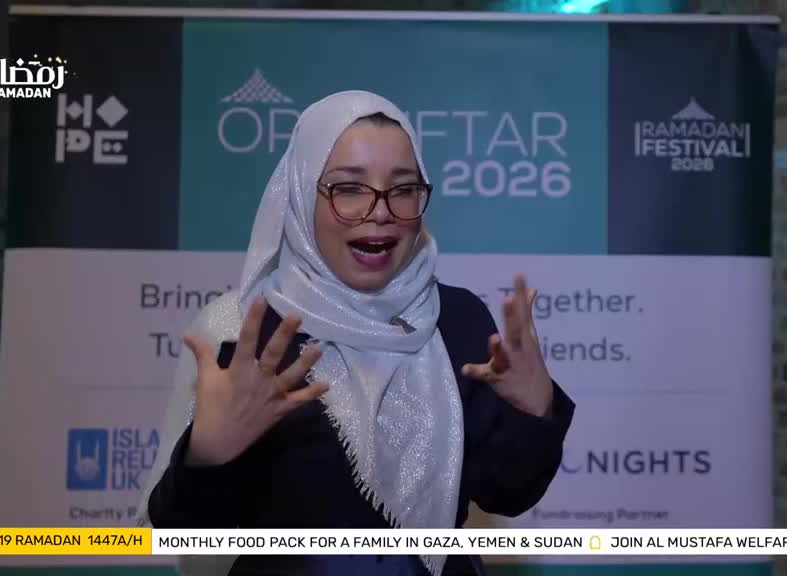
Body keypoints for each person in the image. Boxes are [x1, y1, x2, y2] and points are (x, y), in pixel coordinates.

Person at [139, 90, 575, 576]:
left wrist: (535, 410)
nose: (381, 209)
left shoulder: (455, 319)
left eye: (404, 188)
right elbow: (188, 532)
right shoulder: (245, 328)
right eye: (349, 188)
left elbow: (507, 492)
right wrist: (208, 456)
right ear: (302, 194)